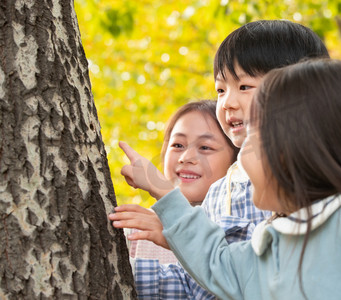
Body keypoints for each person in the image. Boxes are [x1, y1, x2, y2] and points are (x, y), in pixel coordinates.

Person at [111, 59, 341, 299]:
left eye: (255, 136)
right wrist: (170, 200)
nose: (241, 153)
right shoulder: (271, 241)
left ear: (301, 149)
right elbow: (217, 264)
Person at [111, 20, 329, 299]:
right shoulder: (219, 192)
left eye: (245, 86)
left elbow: (241, 272)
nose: (227, 103)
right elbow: (200, 286)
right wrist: (113, 270)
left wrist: (164, 197)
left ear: (297, 91)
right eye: (221, 90)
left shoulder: (309, 183)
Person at [125, 100, 238, 264]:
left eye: (205, 147)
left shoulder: (240, 230)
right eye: (178, 145)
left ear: (235, 161)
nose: (186, 158)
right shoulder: (137, 229)